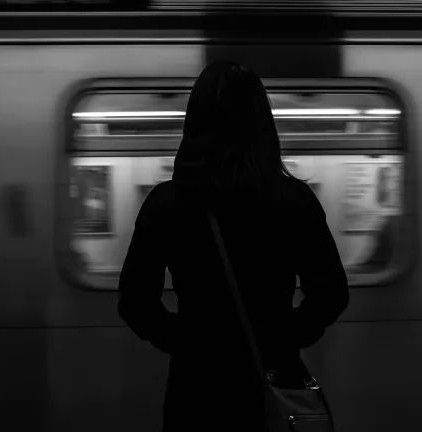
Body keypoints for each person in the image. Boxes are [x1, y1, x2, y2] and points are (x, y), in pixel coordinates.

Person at [117, 61, 350, 432]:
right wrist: (283, 337)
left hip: (196, 392)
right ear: (262, 125)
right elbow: (332, 294)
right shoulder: (294, 200)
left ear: (193, 123)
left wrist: (185, 341)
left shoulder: (166, 204)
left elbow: (133, 301)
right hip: (274, 377)